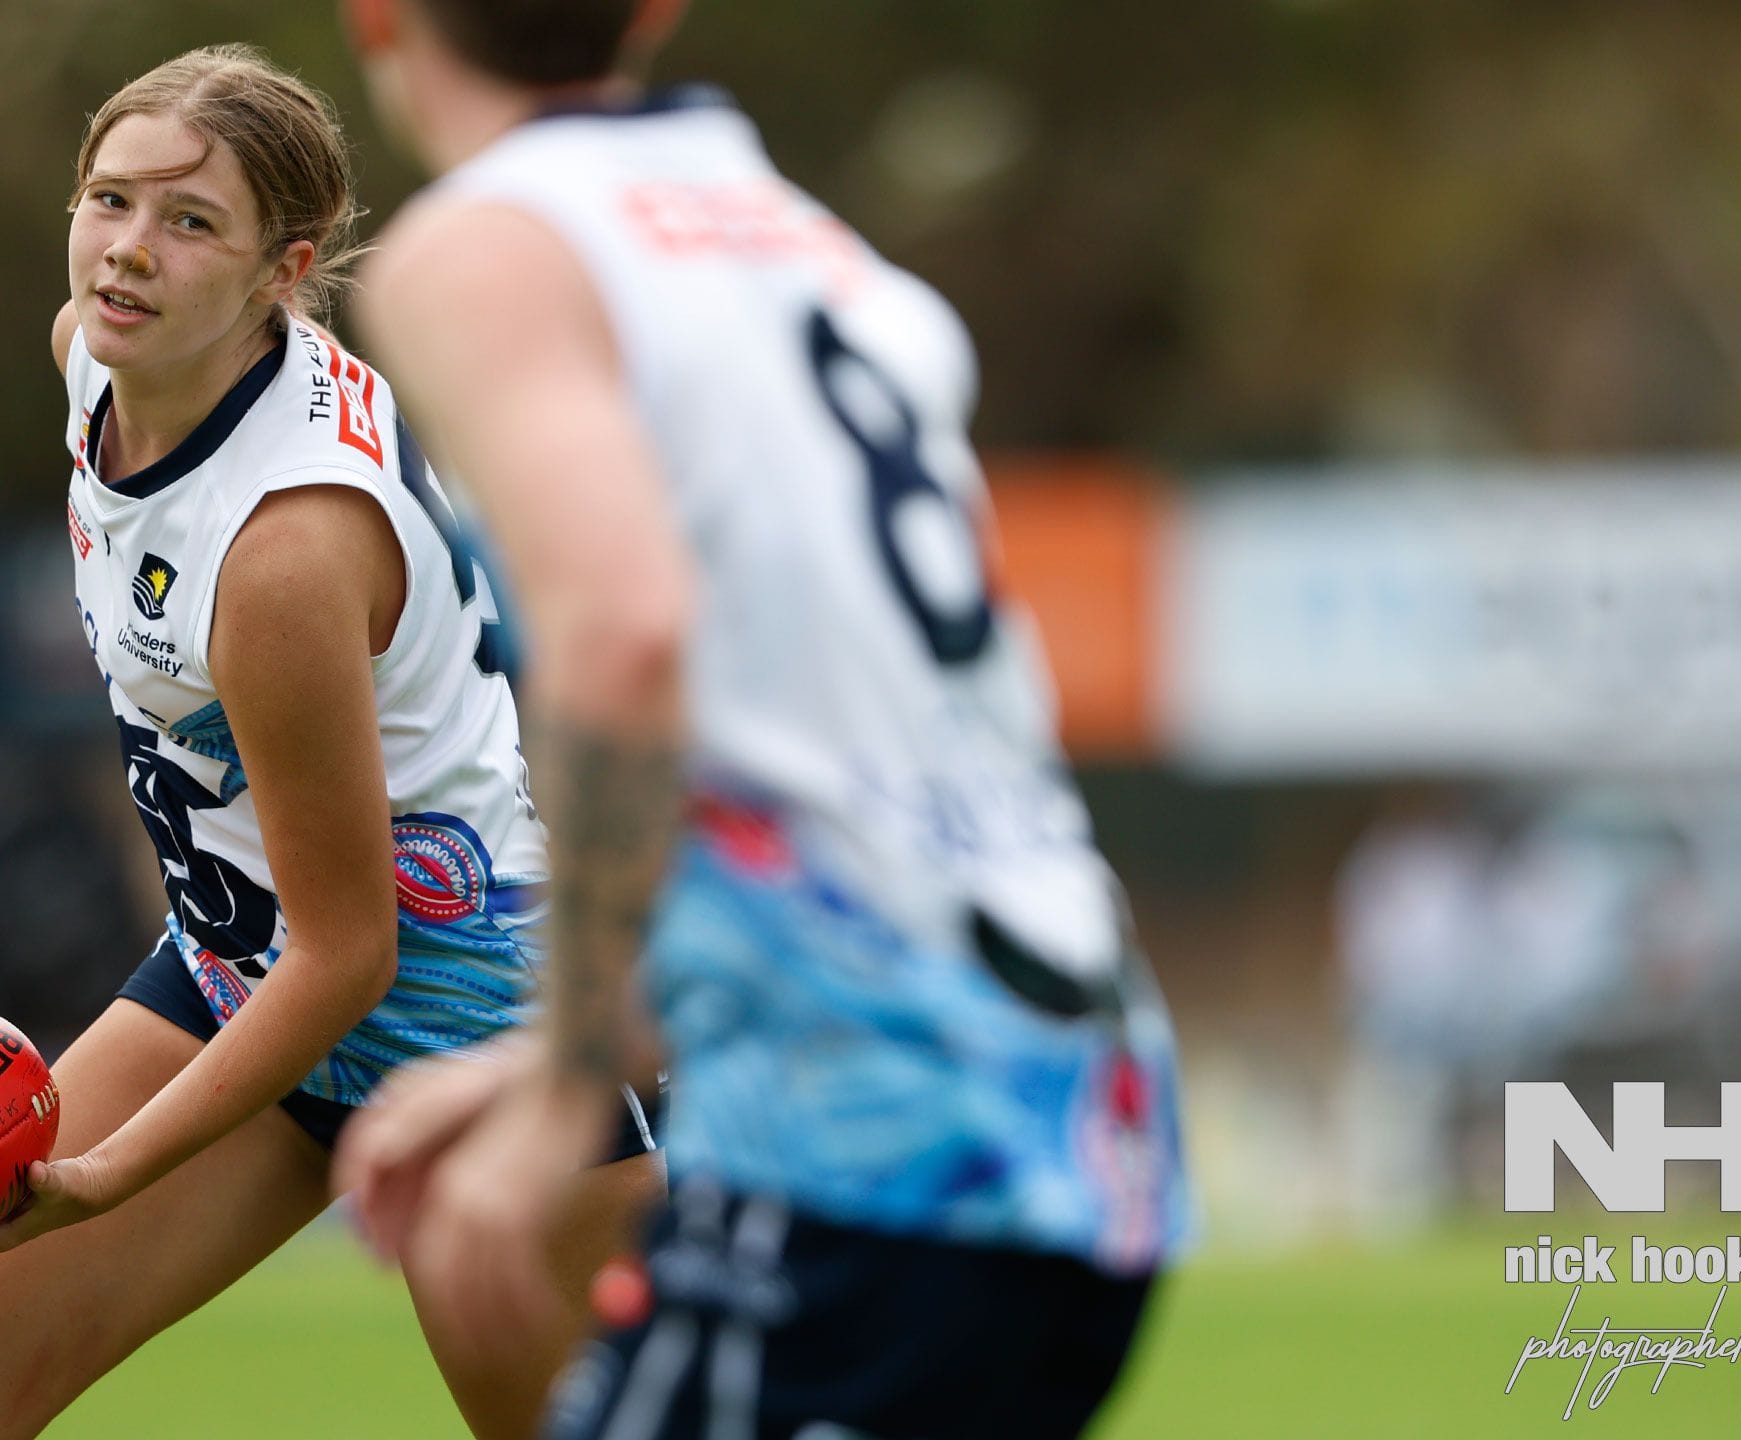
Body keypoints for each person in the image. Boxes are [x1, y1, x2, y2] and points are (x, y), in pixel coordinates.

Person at [330, 3, 1195, 1435]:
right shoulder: (815, 251)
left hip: (868, 1141)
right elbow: (829, 786)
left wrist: (568, 1078)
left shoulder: (486, 245)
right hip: (1083, 1110)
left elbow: (624, 635)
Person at [0, 45, 661, 1440]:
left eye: (189, 224)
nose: (126, 252)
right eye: (108, 201)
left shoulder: (285, 547)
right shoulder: (92, 366)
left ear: (283, 269)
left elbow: (352, 954)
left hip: (467, 1024)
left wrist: (104, 1175)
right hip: (249, 974)